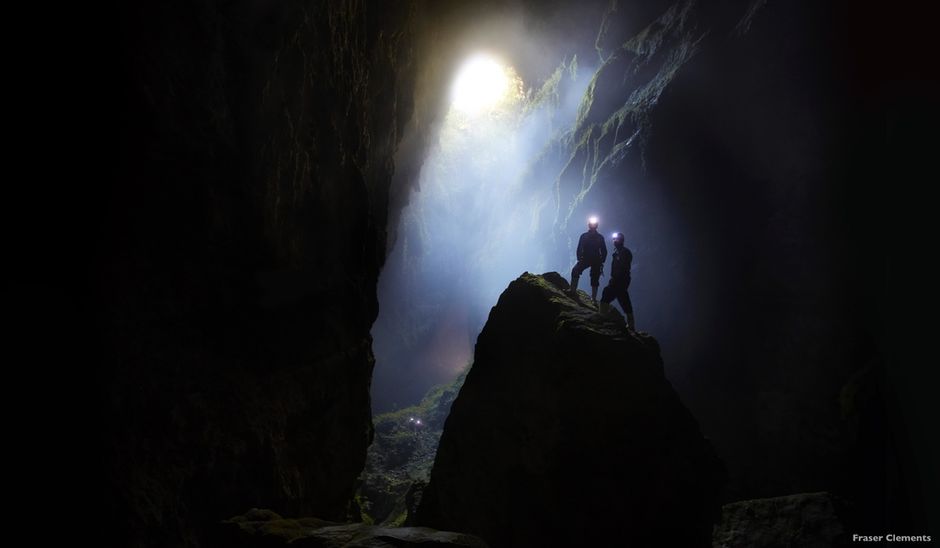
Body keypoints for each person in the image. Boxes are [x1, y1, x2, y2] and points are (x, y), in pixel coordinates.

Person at [598, 231, 635, 329]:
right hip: (617, 280)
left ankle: (602, 317)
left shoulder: (625, 252)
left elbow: (624, 267)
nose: (614, 240)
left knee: (619, 297)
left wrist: (617, 278)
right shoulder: (616, 253)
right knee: (621, 298)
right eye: (614, 239)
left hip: (621, 280)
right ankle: (630, 325)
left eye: (616, 239)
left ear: (621, 240)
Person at [569, 216, 608, 302]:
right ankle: (573, 291)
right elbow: (579, 248)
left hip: (595, 260)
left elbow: (604, 250)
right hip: (587, 258)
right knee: (575, 270)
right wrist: (579, 258)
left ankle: (593, 299)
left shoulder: (598, 237)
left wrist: (601, 261)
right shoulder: (585, 236)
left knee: (594, 278)